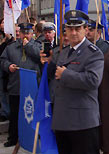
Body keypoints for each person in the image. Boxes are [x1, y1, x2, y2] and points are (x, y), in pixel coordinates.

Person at [43, 10, 104, 154]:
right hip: (63, 119)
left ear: (86, 30)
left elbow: (93, 81)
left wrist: (65, 74)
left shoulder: (93, 53)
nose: (74, 33)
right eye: (70, 29)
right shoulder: (64, 52)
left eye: (78, 29)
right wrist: (47, 62)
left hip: (82, 122)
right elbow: (54, 76)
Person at [1, 23, 42, 147]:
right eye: (24, 33)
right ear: (20, 34)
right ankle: (13, 138)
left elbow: (39, 57)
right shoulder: (11, 47)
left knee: (32, 113)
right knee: (15, 114)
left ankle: (34, 136)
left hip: (32, 86)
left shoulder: (37, 45)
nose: (26, 36)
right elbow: (3, 60)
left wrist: (28, 45)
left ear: (32, 34)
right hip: (16, 85)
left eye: (29, 33)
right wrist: (8, 66)